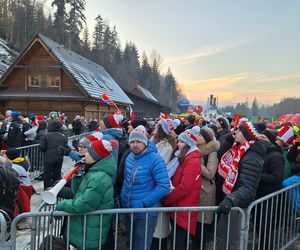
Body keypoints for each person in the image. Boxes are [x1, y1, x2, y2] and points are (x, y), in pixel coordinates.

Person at [56, 138, 118, 249]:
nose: (85, 154)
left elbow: (83, 204)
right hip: (86, 228)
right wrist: (77, 178)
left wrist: (61, 205)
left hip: (88, 232)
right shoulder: (94, 171)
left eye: (89, 152)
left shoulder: (99, 178)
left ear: (96, 156)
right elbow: (78, 192)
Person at [216, 121, 266, 250]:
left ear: (246, 135)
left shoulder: (252, 157)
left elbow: (248, 187)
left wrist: (231, 199)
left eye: (239, 131)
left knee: (233, 242)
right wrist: (228, 139)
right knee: (222, 237)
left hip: (238, 205)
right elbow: (220, 155)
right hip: (230, 201)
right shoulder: (238, 149)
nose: (235, 132)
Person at [121, 125, 170, 250]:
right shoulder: (130, 157)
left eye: (138, 141)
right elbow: (126, 181)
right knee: (132, 244)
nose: (135, 144)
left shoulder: (155, 160)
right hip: (128, 210)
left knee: (141, 246)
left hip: (145, 214)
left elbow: (164, 186)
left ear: (145, 143)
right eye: (132, 141)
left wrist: (144, 203)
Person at [163, 126, 201, 250]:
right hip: (178, 207)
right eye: (179, 141)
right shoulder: (183, 158)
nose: (178, 144)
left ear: (188, 144)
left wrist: (167, 200)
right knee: (176, 243)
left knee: (178, 244)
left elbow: (185, 187)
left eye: (181, 142)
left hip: (184, 208)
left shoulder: (192, 161)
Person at [150, 118, 179, 250]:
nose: (155, 127)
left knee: (159, 226)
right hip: (153, 184)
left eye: (158, 125)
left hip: (159, 184)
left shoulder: (166, 145)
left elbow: (160, 165)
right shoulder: (157, 142)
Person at [254, 129, 284, 249]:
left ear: (271, 141)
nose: (260, 140)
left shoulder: (276, 156)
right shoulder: (260, 152)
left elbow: (277, 177)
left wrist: (258, 175)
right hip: (259, 194)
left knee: (265, 226)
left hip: (269, 196)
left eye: (264, 138)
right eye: (259, 137)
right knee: (258, 225)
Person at [192, 127, 220, 250]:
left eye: (200, 135)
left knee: (201, 226)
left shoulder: (211, 152)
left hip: (206, 192)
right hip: (195, 189)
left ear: (206, 139)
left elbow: (210, 173)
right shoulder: (195, 149)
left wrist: (196, 160)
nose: (197, 137)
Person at [39, 119, 69, 190]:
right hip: (59, 158)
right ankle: (57, 189)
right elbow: (66, 147)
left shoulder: (46, 135)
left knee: (47, 174)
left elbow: (42, 147)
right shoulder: (63, 136)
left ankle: (47, 189)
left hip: (48, 158)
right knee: (57, 173)